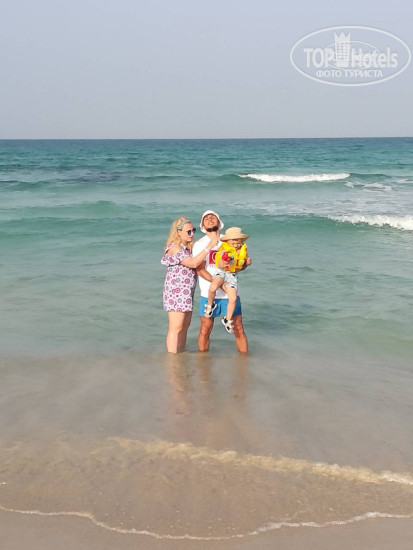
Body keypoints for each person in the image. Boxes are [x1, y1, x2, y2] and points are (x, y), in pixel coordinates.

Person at [192, 210, 249, 354]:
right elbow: (200, 269)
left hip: (230, 292)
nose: (210, 219)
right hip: (208, 292)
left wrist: (245, 264)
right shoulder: (199, 244)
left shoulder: (230, 240)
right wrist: (218, 283)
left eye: (213, 217)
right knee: (205, 329)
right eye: (206, 218)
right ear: (202, 225)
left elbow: (239, 266)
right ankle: (203, 361)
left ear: (219, 222)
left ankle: (244, 362)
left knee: (238, 328)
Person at [161, 216, 218, 354]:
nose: (192, 234)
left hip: (187, 292)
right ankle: (172, 359)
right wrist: (209, 246)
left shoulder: (187, 248)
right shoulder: (174, 248)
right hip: (176, 292)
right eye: (188, 231)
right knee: (176, 327)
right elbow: (192, 263)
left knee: (185, 327)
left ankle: (180, 355)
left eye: (193, 230)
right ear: (178, 232)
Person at [204, 227, 251, 334]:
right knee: (213, 287)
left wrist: (248, 262)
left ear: (241, 241)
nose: (236, 245)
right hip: (221, 272)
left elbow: (244, 263)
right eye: (233, 243)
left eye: (238, 242)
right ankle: (210, 305)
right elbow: (219, 263)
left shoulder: (242, 249)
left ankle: (227, 319)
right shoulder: (224, 249)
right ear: (227, 241)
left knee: (233, 298)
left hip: (231, 275)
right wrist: (222, 263)